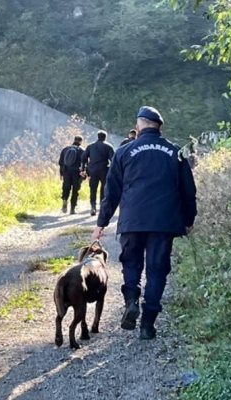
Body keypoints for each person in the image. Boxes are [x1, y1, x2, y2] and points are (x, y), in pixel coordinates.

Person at [93, 106, 197, 340]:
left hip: (132, 220)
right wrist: (188, 219)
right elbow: (188, 191)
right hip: (164, 221)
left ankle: (131, 302)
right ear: (159, 127)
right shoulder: (175, 152)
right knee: (157, 270)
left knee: (131, 265)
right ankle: (148, 325)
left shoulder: (125, 151)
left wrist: (102, 222)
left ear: (139, 126)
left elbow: (112, 192)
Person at [81, 130, 116, 216]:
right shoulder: (108, 146)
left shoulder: (90, 146)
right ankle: (102, 207)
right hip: (104, 170)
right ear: (105, 137)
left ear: (98, 136)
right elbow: (113, 160)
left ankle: (93, 207)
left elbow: (83, 158)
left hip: (92, 170)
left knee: (93, 189)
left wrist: (83, 169)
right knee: (104, 189)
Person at [58, 135, 86, 214]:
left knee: (66, 188)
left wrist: (61, 173)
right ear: (80, 141)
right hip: (77, 173)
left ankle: (64, 199)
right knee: (75, 190)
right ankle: (72, 209)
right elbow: (84, 163)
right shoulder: (82, 150)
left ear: (74, 140)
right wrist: (84, 172)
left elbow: (61, 163)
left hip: (66, 171)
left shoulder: (65, 149)